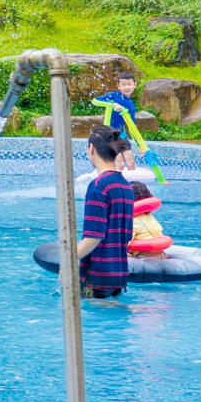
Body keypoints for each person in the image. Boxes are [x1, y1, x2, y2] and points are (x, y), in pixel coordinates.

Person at [80, 126, 134, 298]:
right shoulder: (126, 186)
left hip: (96, 276)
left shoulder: (98, 186)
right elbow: (127, 234)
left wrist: (67, 264)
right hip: (118, 274)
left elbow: (93, 236)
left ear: (91, 149)